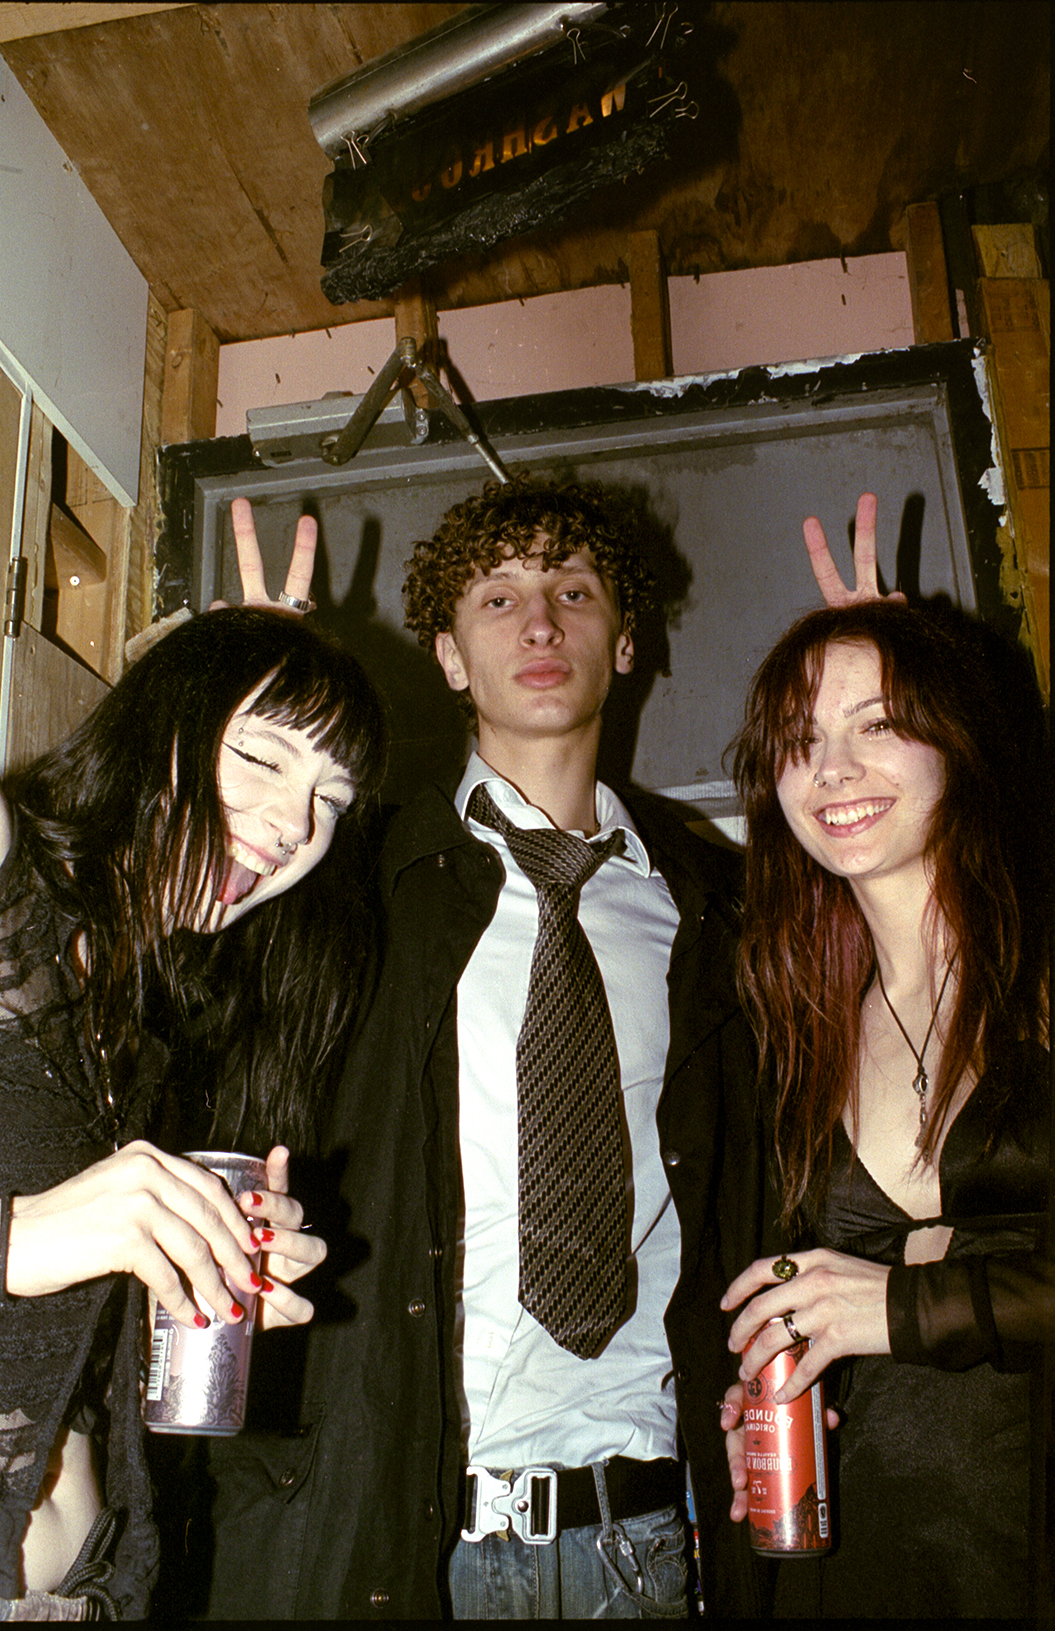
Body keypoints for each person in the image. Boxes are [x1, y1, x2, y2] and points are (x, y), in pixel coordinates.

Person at [196, 473, 773, 1621]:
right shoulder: (343, 878)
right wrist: (236, 697)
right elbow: (179, 932)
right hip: (393, 1531)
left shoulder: (721, 905)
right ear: (451, 658)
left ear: (628, 643)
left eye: (573, 590)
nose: (543, 621)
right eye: (498, 598)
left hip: (646, 1541)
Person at [0, 569, 388, 1620]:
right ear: (162, 715)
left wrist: (181, 1258)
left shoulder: (146, 1028)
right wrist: (19, 1237)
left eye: (331, 800)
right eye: (260, 754)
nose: (296, 823)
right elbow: (20, 1242)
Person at [719, 552, 1052, 1619]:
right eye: (802, 740)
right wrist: (779, 1382)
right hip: (863, 1552)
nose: (832, 768)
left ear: (957, 739)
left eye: (878, 722)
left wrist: (904, 1305)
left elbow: (898, 1304)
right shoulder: (792, 1026)